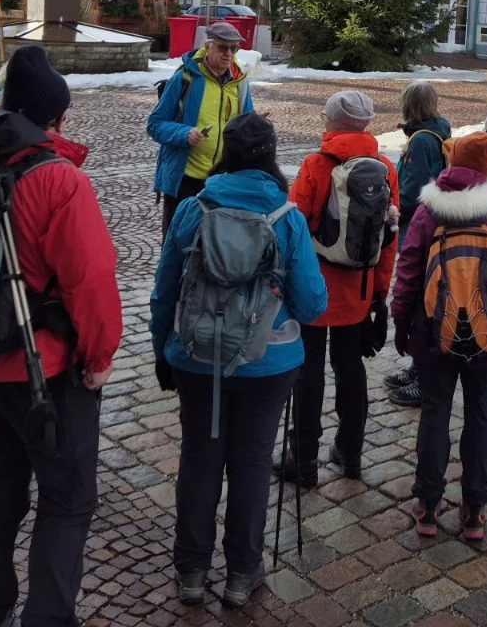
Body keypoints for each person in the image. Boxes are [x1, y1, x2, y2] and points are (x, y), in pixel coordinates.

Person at [0, 45, 122, 627]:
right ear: (57, 118)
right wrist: (100, 358)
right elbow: (91, 280)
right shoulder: (59, 180)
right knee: (67, 502)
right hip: (48, 371)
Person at [150, 114, 327, 608]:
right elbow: (313, 304)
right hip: (268, 365)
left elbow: (165, 292)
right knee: (251, 466)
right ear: (270, 156)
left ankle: (190, 571)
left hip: (196, 358)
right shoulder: (287, 217)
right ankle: (242, 573)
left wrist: (163, 348)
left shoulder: (192, 209)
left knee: (199, 461)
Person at [390, 132, 487, 540]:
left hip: (433, 333)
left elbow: (409, 269)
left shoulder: (431, 209)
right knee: (482, 415)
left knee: (434, 413)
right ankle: (475, 509)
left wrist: (400, 320)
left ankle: (428, 504)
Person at [283, 91, 399, 486]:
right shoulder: (385, 168)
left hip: (314, 286)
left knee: (308, 369)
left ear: (331, 122)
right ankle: (350, 452)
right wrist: (380, 290)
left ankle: (303, 459)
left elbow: (294, 228)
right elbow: (389, 239)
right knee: (350, 368)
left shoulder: (316, 164)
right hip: (359, 288)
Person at [148, 23, 255, 231]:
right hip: (185, 179)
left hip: (221, 181)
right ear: (208, 47)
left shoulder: (239, 82)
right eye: (223, 48)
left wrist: (254, 122)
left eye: (234, 49)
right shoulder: (184, 78)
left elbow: (245, 125)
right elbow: (155, 123)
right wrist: (184, 133)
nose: (229, 54)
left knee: (215, 248)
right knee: (177, 244)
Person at [385, 80, 451, 410]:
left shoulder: (422, 141)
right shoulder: (436, 131)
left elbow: (411, 189)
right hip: (432, 223)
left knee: (422, 305)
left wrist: (394, 206)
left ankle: (423, 375)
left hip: (419, 226)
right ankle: (416, 369)